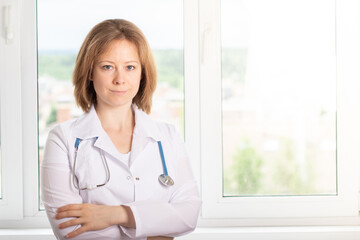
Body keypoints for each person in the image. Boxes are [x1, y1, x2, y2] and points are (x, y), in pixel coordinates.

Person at [40, 19, 201, 240]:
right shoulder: (63, 139)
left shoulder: (167, 136)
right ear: (89, 72)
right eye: (107, 67)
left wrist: (116, 214)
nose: (120, 79)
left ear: (142, 73)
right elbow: (71, 230)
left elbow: (188, 214)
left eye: (130, 67)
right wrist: (154, 228)